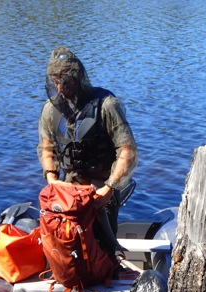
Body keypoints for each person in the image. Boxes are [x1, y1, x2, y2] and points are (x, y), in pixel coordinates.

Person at [37, 46, 138, 252]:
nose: (60, 88)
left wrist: (109, 188)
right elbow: (46, 146)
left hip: (102, 185)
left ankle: (111, 262)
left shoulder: (107, 106)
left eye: (65, 82)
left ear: (78, 78)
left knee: (103, 246)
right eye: (56, 82)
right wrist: (52, 179)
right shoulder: (51, 109)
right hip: (68, 187)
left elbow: (127, 150)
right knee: (66, 241)